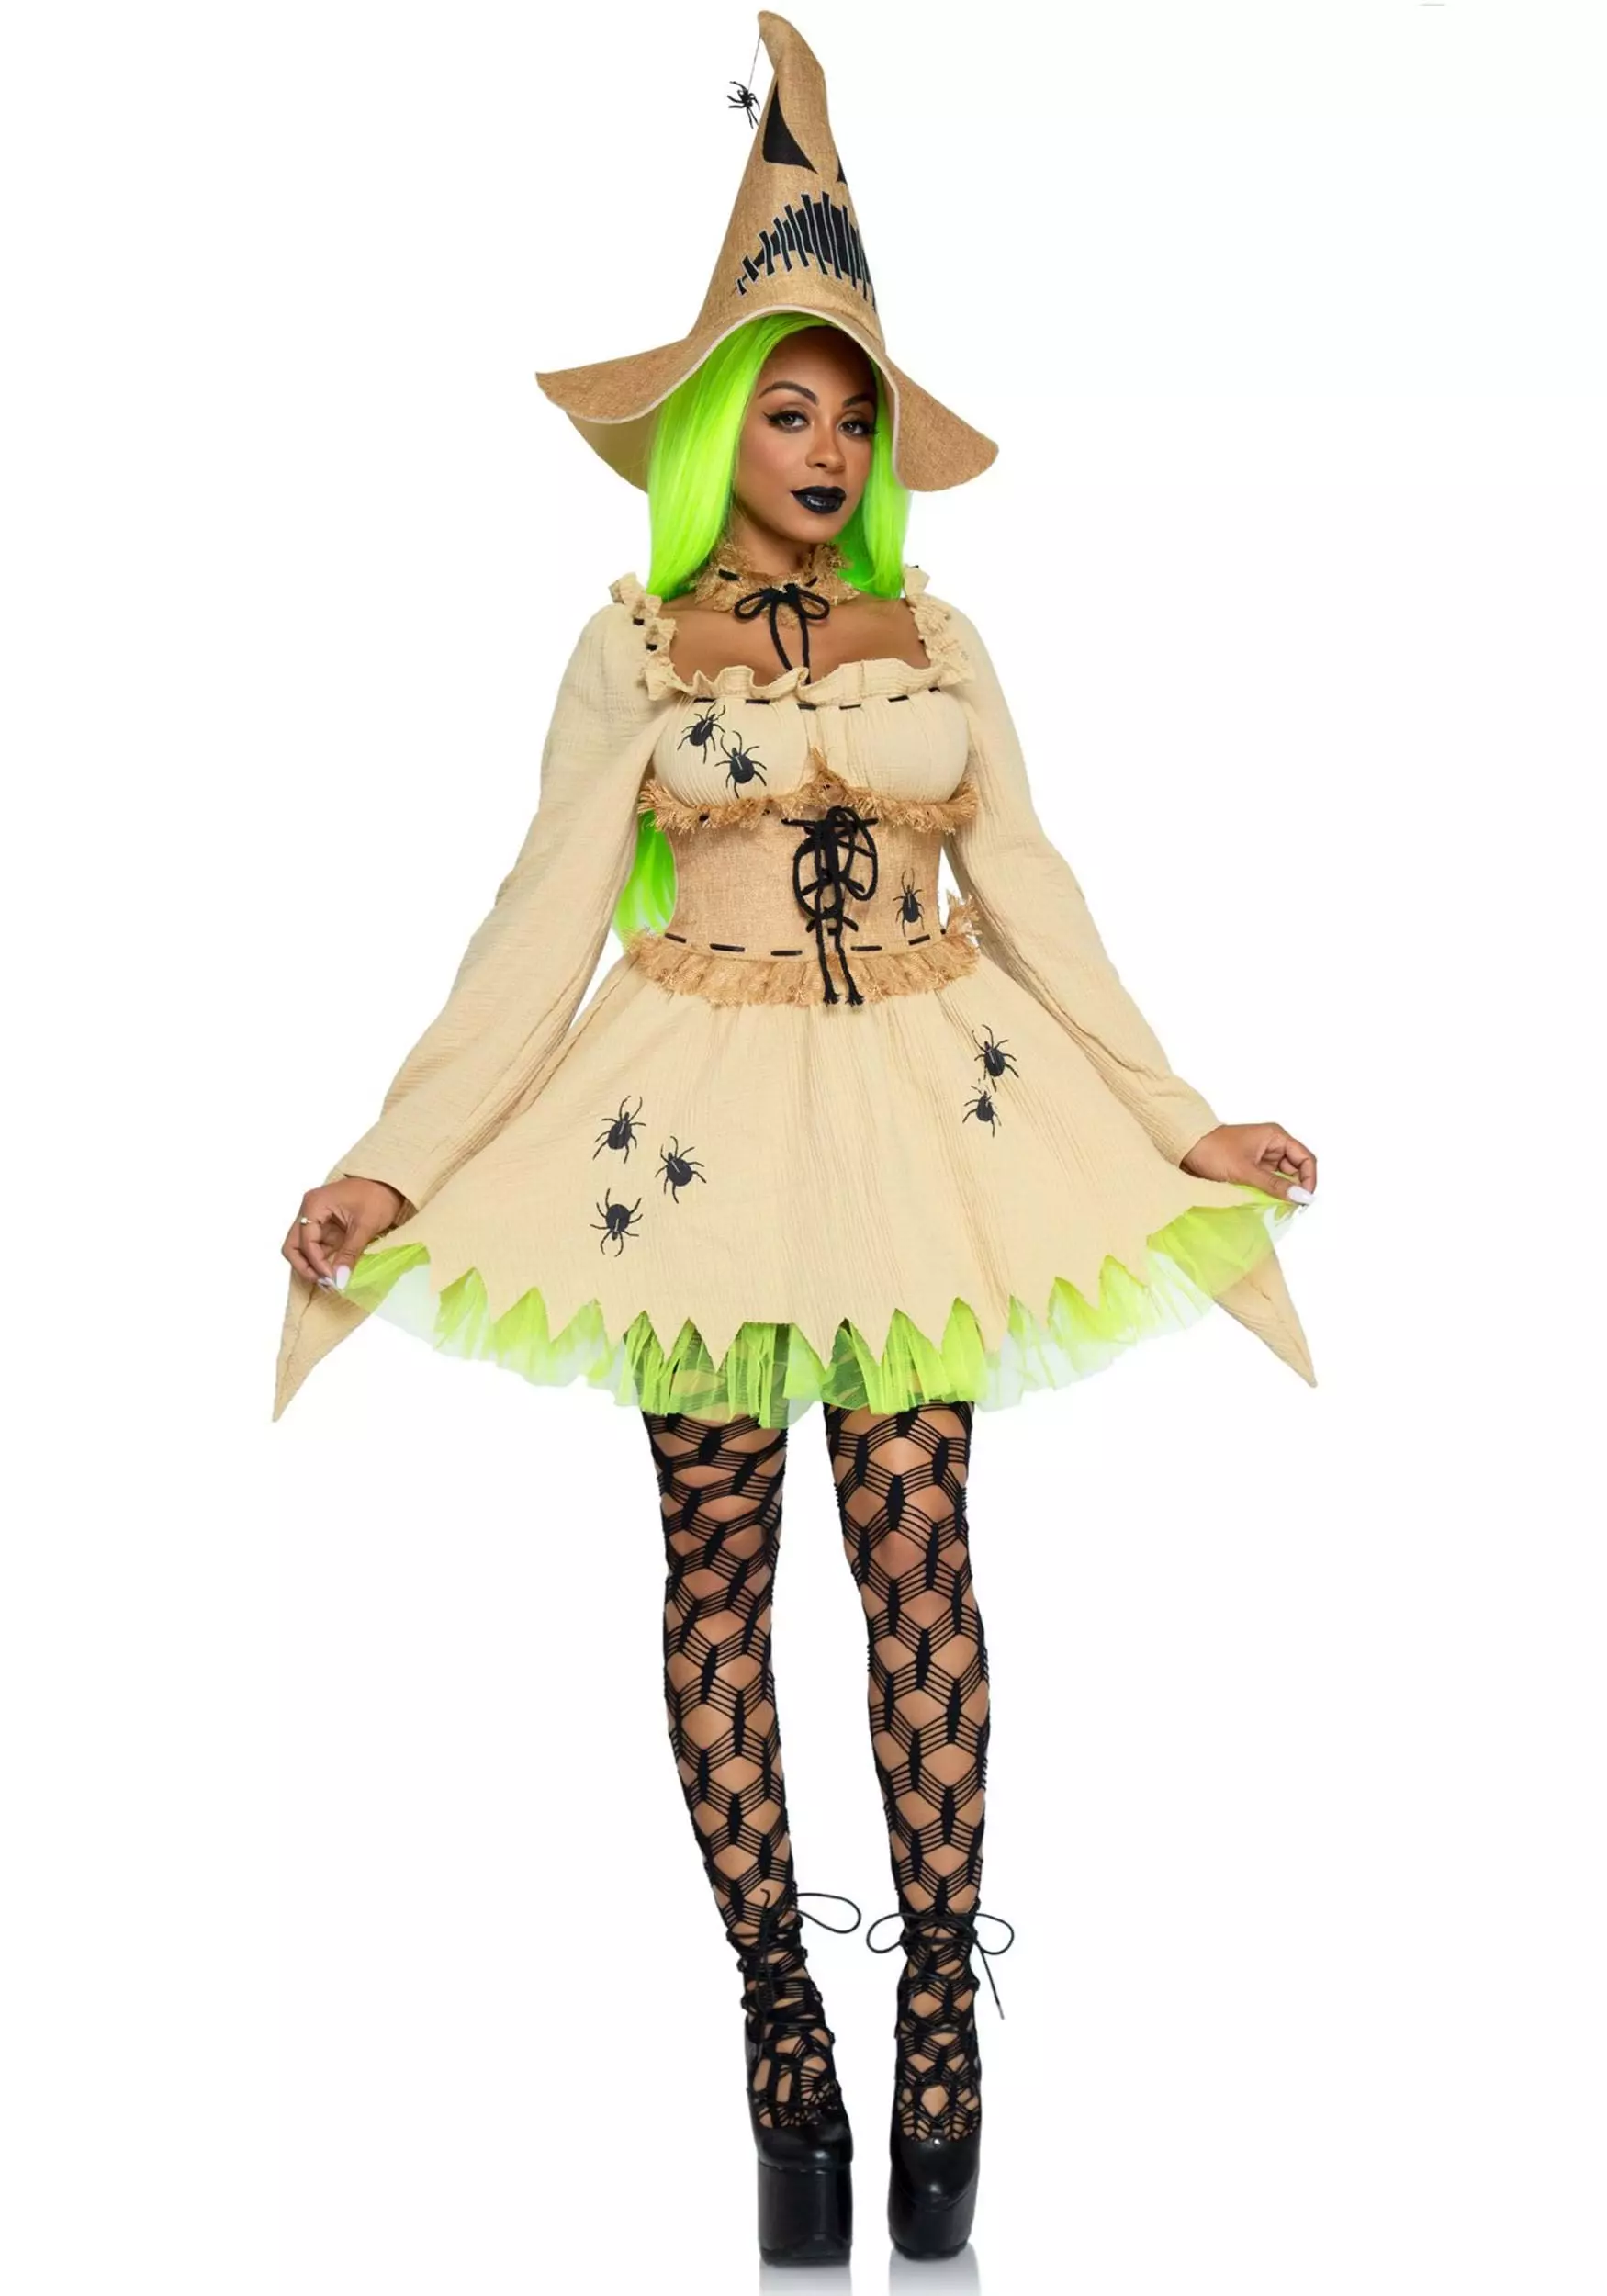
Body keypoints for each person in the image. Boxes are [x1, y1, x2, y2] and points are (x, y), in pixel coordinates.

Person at [274, 12, 1317, 2266]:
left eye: (853, 412)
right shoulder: (632, 648)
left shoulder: (934, 632)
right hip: (692, 1128)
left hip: (928, 1117)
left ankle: (936, 2006)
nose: (827, 444)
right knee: (717, 1569)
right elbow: (536, 925)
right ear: (713, 428)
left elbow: (1032, 892)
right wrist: (393, 1160)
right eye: (788, 405)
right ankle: (779, 2016)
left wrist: (1177, 1117)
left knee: (916, 1550)